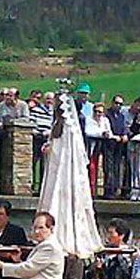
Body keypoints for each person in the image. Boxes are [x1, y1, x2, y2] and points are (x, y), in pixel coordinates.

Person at [39, 92, 102, 258]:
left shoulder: (69, 129)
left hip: (64, 171)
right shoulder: (58, 126)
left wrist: (51, 149)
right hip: (55, 169)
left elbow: (68, 152)